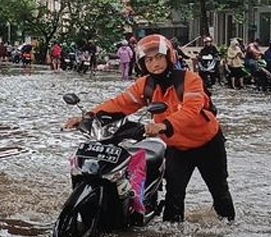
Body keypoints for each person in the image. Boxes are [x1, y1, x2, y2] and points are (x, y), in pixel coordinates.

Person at [64, 34, 235, 223]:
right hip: (178, 148)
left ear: (169, 57)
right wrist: (87, 117)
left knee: (220, 192)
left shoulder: (190, 79)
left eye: (159, 57)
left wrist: (164, 125)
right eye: (149, 60)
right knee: (174, 196)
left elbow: (191, 110)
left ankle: (227, 231)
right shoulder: (145, 85)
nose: (155, 63)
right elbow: (120, 103)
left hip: (208, 144)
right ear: (143, 64)